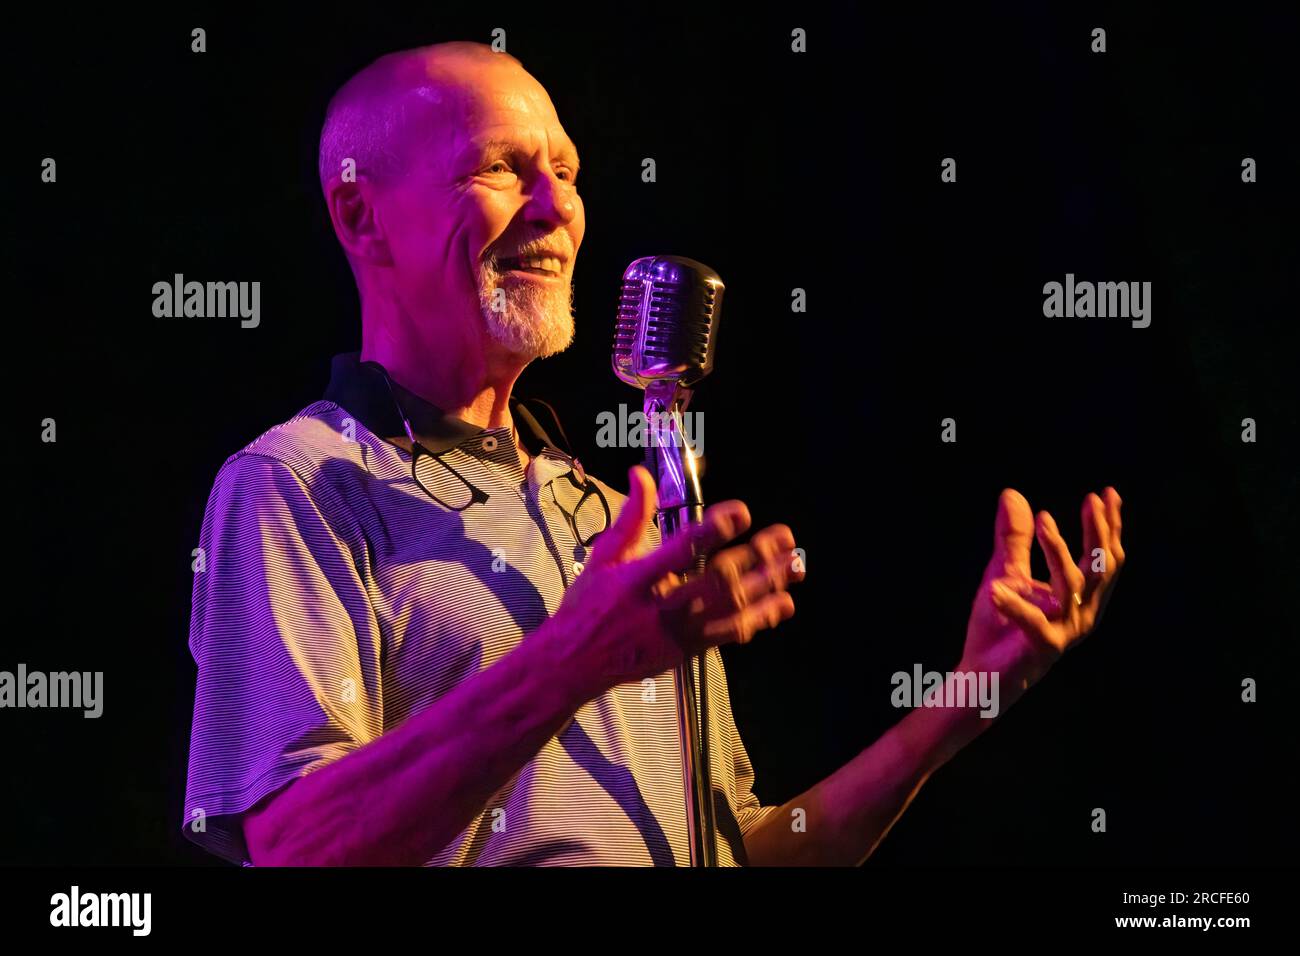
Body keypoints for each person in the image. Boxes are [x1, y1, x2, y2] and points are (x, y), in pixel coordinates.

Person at [182, 41, 1125, 867]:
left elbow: (742, 850)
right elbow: (298, 848)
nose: (558, 208)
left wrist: (963, 703)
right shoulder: (296, 482)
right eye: (501, 170)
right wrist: (571, 661)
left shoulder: (604, 513)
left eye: (568, 170)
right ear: (361, 216)